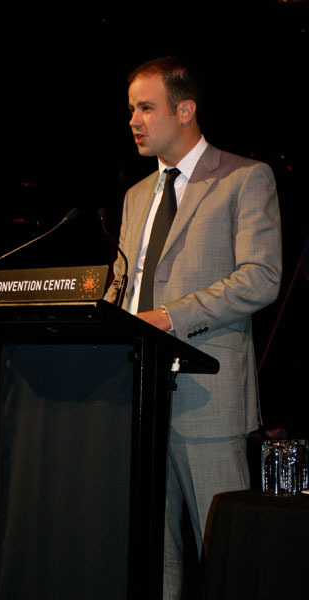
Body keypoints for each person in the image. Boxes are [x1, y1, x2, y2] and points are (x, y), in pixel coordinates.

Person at [104, 56, 282, 599]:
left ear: (185, 110)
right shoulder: (137, 195)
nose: (133, 120)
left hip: (208, 400)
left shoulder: (244, 178)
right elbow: (123, 286)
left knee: (226, 559)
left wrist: (170, 316)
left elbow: (261, 277)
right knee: (151, 561)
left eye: (145, 107)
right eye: (131, 109)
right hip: (137, 397)